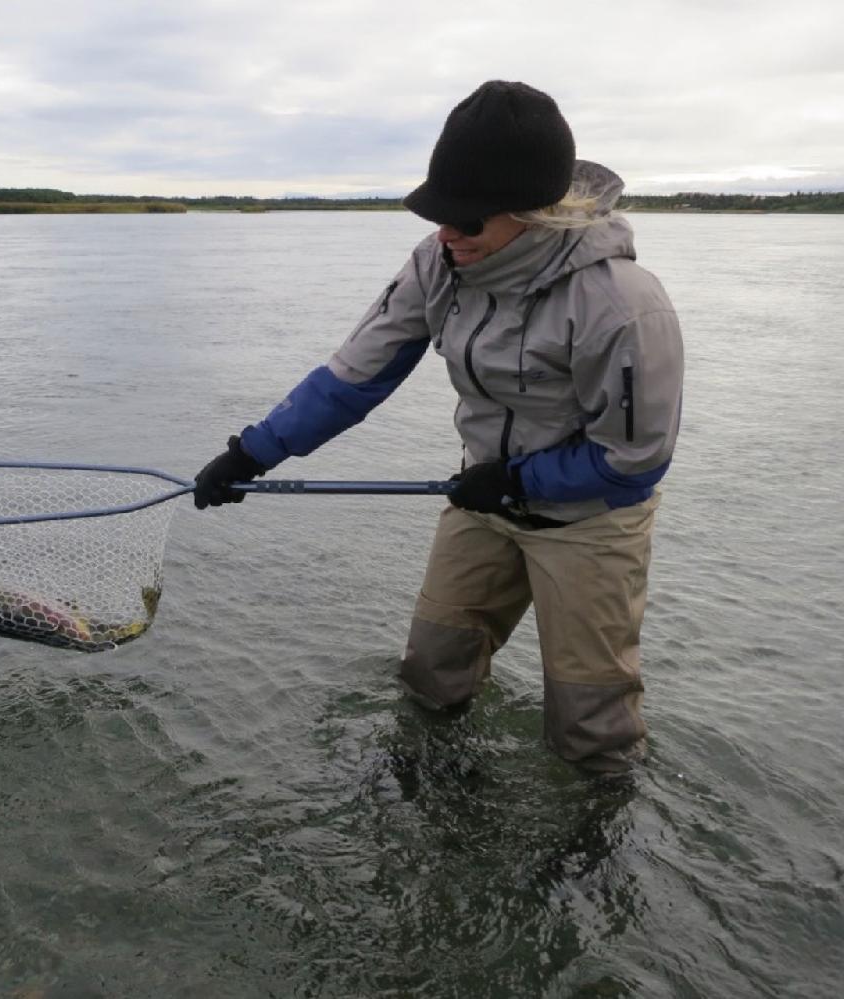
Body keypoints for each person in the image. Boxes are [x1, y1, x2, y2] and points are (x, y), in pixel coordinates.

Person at [193, 80, 683, 775]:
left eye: (467, 220)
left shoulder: (623, 305)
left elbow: (636, 458)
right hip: (480, 501)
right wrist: (251, 451)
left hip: (591, 519)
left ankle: (595, 846)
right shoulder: (439, 263)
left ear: (531, 215)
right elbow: (355, 376)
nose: (446, 233)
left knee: (588, 726)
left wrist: (517, 479)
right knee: (430, 671)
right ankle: (436, 799)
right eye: (440, 214)